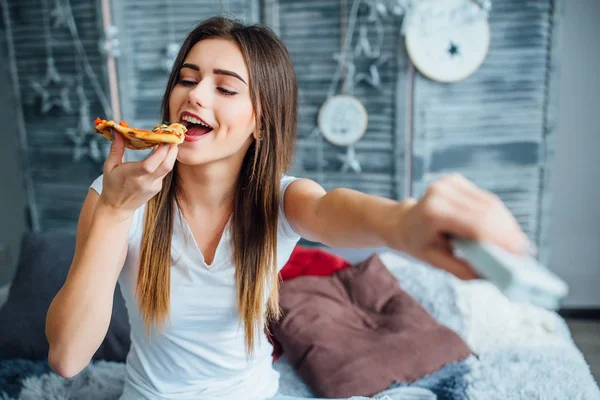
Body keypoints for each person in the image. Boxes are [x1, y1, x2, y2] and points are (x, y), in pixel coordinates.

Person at [45, 16, 530, 400]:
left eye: (225, 88)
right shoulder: (116, 195)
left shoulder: (282, 198)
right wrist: (112, 212)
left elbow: (337, 211)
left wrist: (407, 224)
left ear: (261, 121)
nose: (195, 94)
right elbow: (67, 357)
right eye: (187, 80)